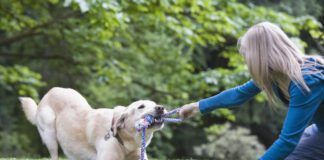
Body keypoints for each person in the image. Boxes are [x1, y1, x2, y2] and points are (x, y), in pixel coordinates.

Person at [179, 22, 324, 160]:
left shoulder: (306, 81)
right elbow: (238, 94)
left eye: (247, 56)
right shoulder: (274, 76)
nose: (247, 61)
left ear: (260, 57)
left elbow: (287, 142)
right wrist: (198, 106)